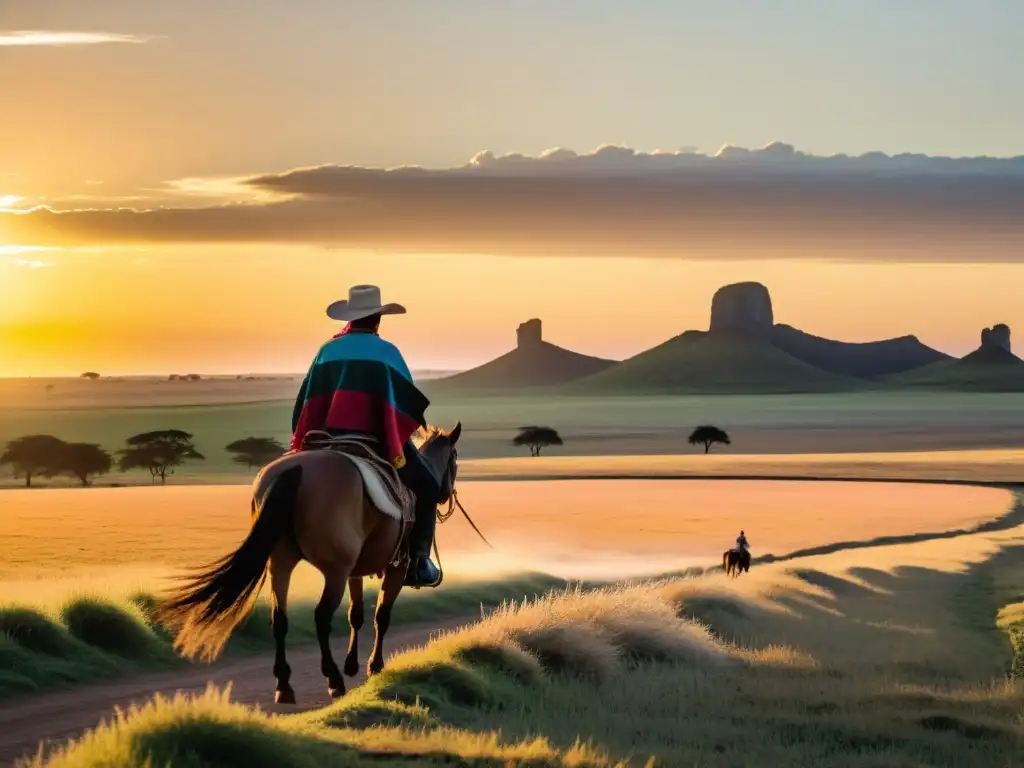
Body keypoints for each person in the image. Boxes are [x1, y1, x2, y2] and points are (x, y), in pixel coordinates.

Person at [290, 284, 442, 588]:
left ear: (350, 317)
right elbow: (405, 405)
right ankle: (419, 561)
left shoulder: (327, 349)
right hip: (374, 440)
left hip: (325, 437)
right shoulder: (387, 352)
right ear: (378, 318)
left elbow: (306, 401)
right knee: (427, 485)